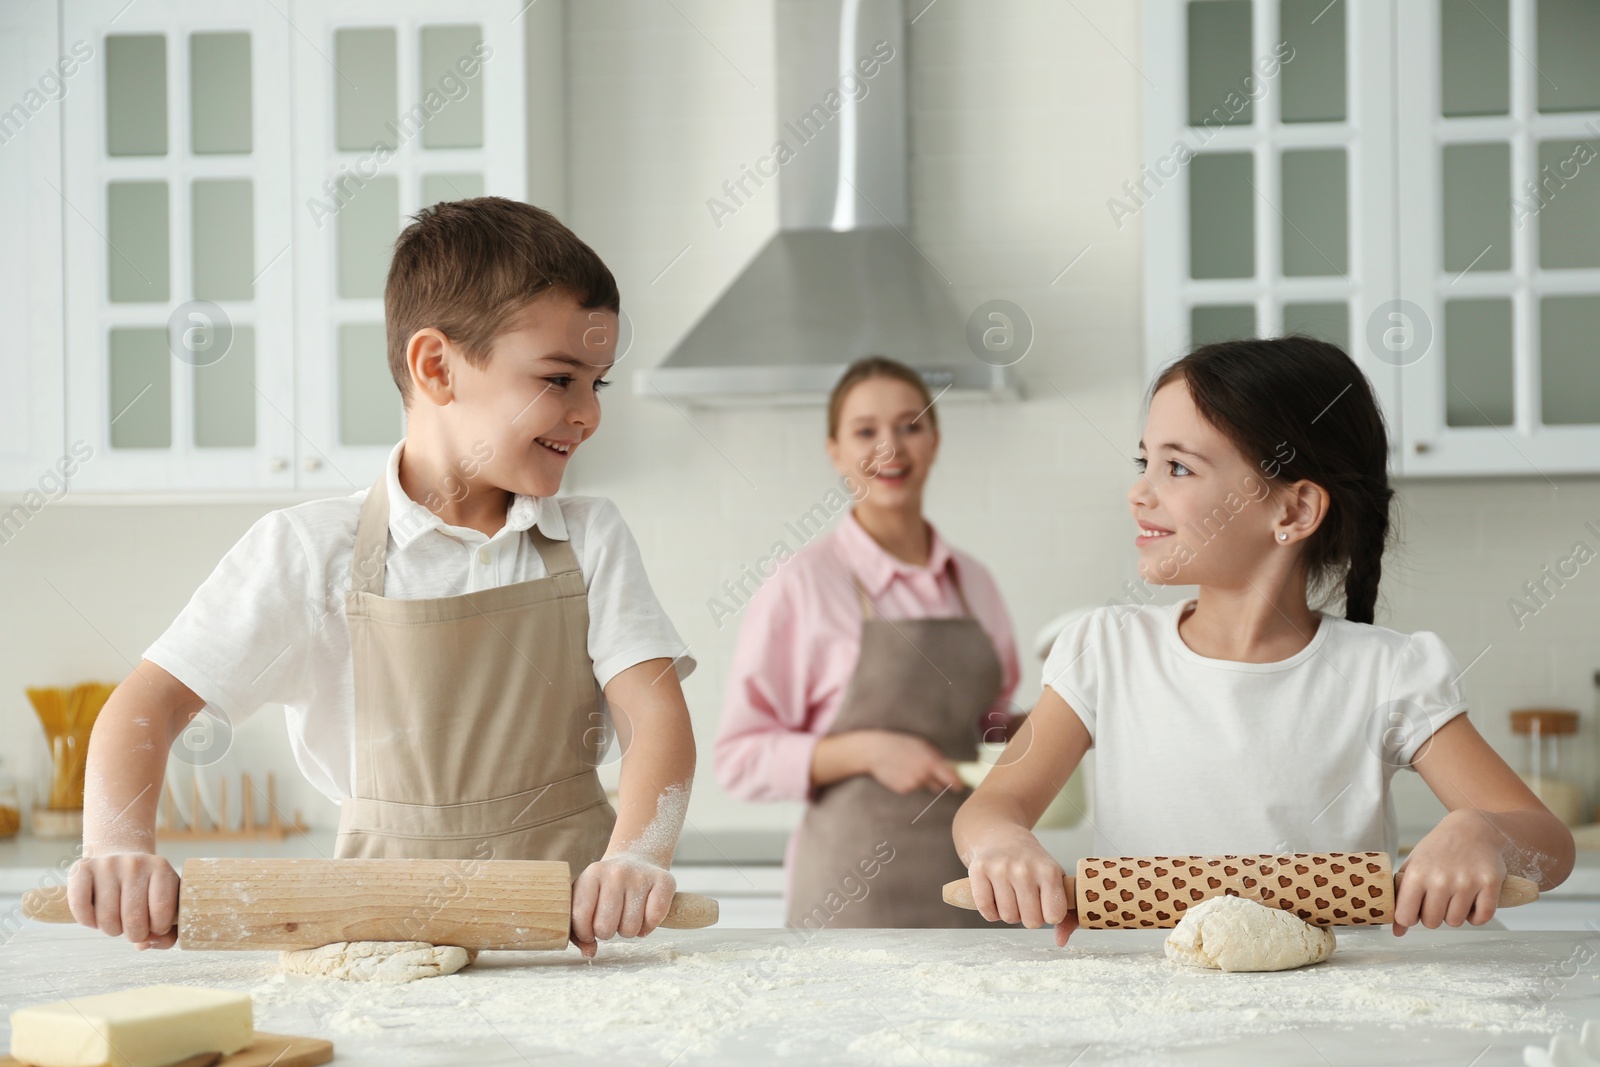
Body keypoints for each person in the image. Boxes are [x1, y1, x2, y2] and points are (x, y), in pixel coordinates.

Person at [69, 198, 696, 958]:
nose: (588, 413)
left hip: (571, 945)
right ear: (436, 366)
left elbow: (655, 717)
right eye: (560, 379)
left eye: (599, 384)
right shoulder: (309, 553)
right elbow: (148, 705)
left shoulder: (590, 539)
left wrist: (636, 857)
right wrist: (116, 848)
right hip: (380, 950)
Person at [953, 336, 1576, 944]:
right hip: (1147, 1006)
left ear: (1293, 511)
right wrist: (1000, 842)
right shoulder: (1106, 652)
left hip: (1337, 1010)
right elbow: (992, 806)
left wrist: (1484, 832)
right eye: (1145, 463)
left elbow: (1547, 844)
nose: (1138, 491)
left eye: (1177, 467)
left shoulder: (1388, 673)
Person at [716, 357, 1021, 928]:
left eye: (911, 425)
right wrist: (869, 751)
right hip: (851, 899)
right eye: (865, 431)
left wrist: (1049, 724)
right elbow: (738, 758)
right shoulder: (802, 582)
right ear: (834, 450)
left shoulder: (973, 580)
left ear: (935, 440)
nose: (891, 447)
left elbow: (987, 727)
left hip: (973, 888)